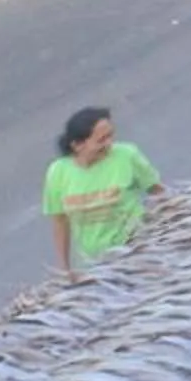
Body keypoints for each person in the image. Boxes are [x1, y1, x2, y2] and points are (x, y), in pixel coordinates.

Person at [41, 106, 164, 274]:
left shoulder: (127, 156)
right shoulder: (58, 172)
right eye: (101, 140)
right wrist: (64, 268)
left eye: (110, 135)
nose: (109, 143)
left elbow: (159, 194)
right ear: (78, 145)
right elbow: (60, 221)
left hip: (139, 251)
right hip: (95, 265)